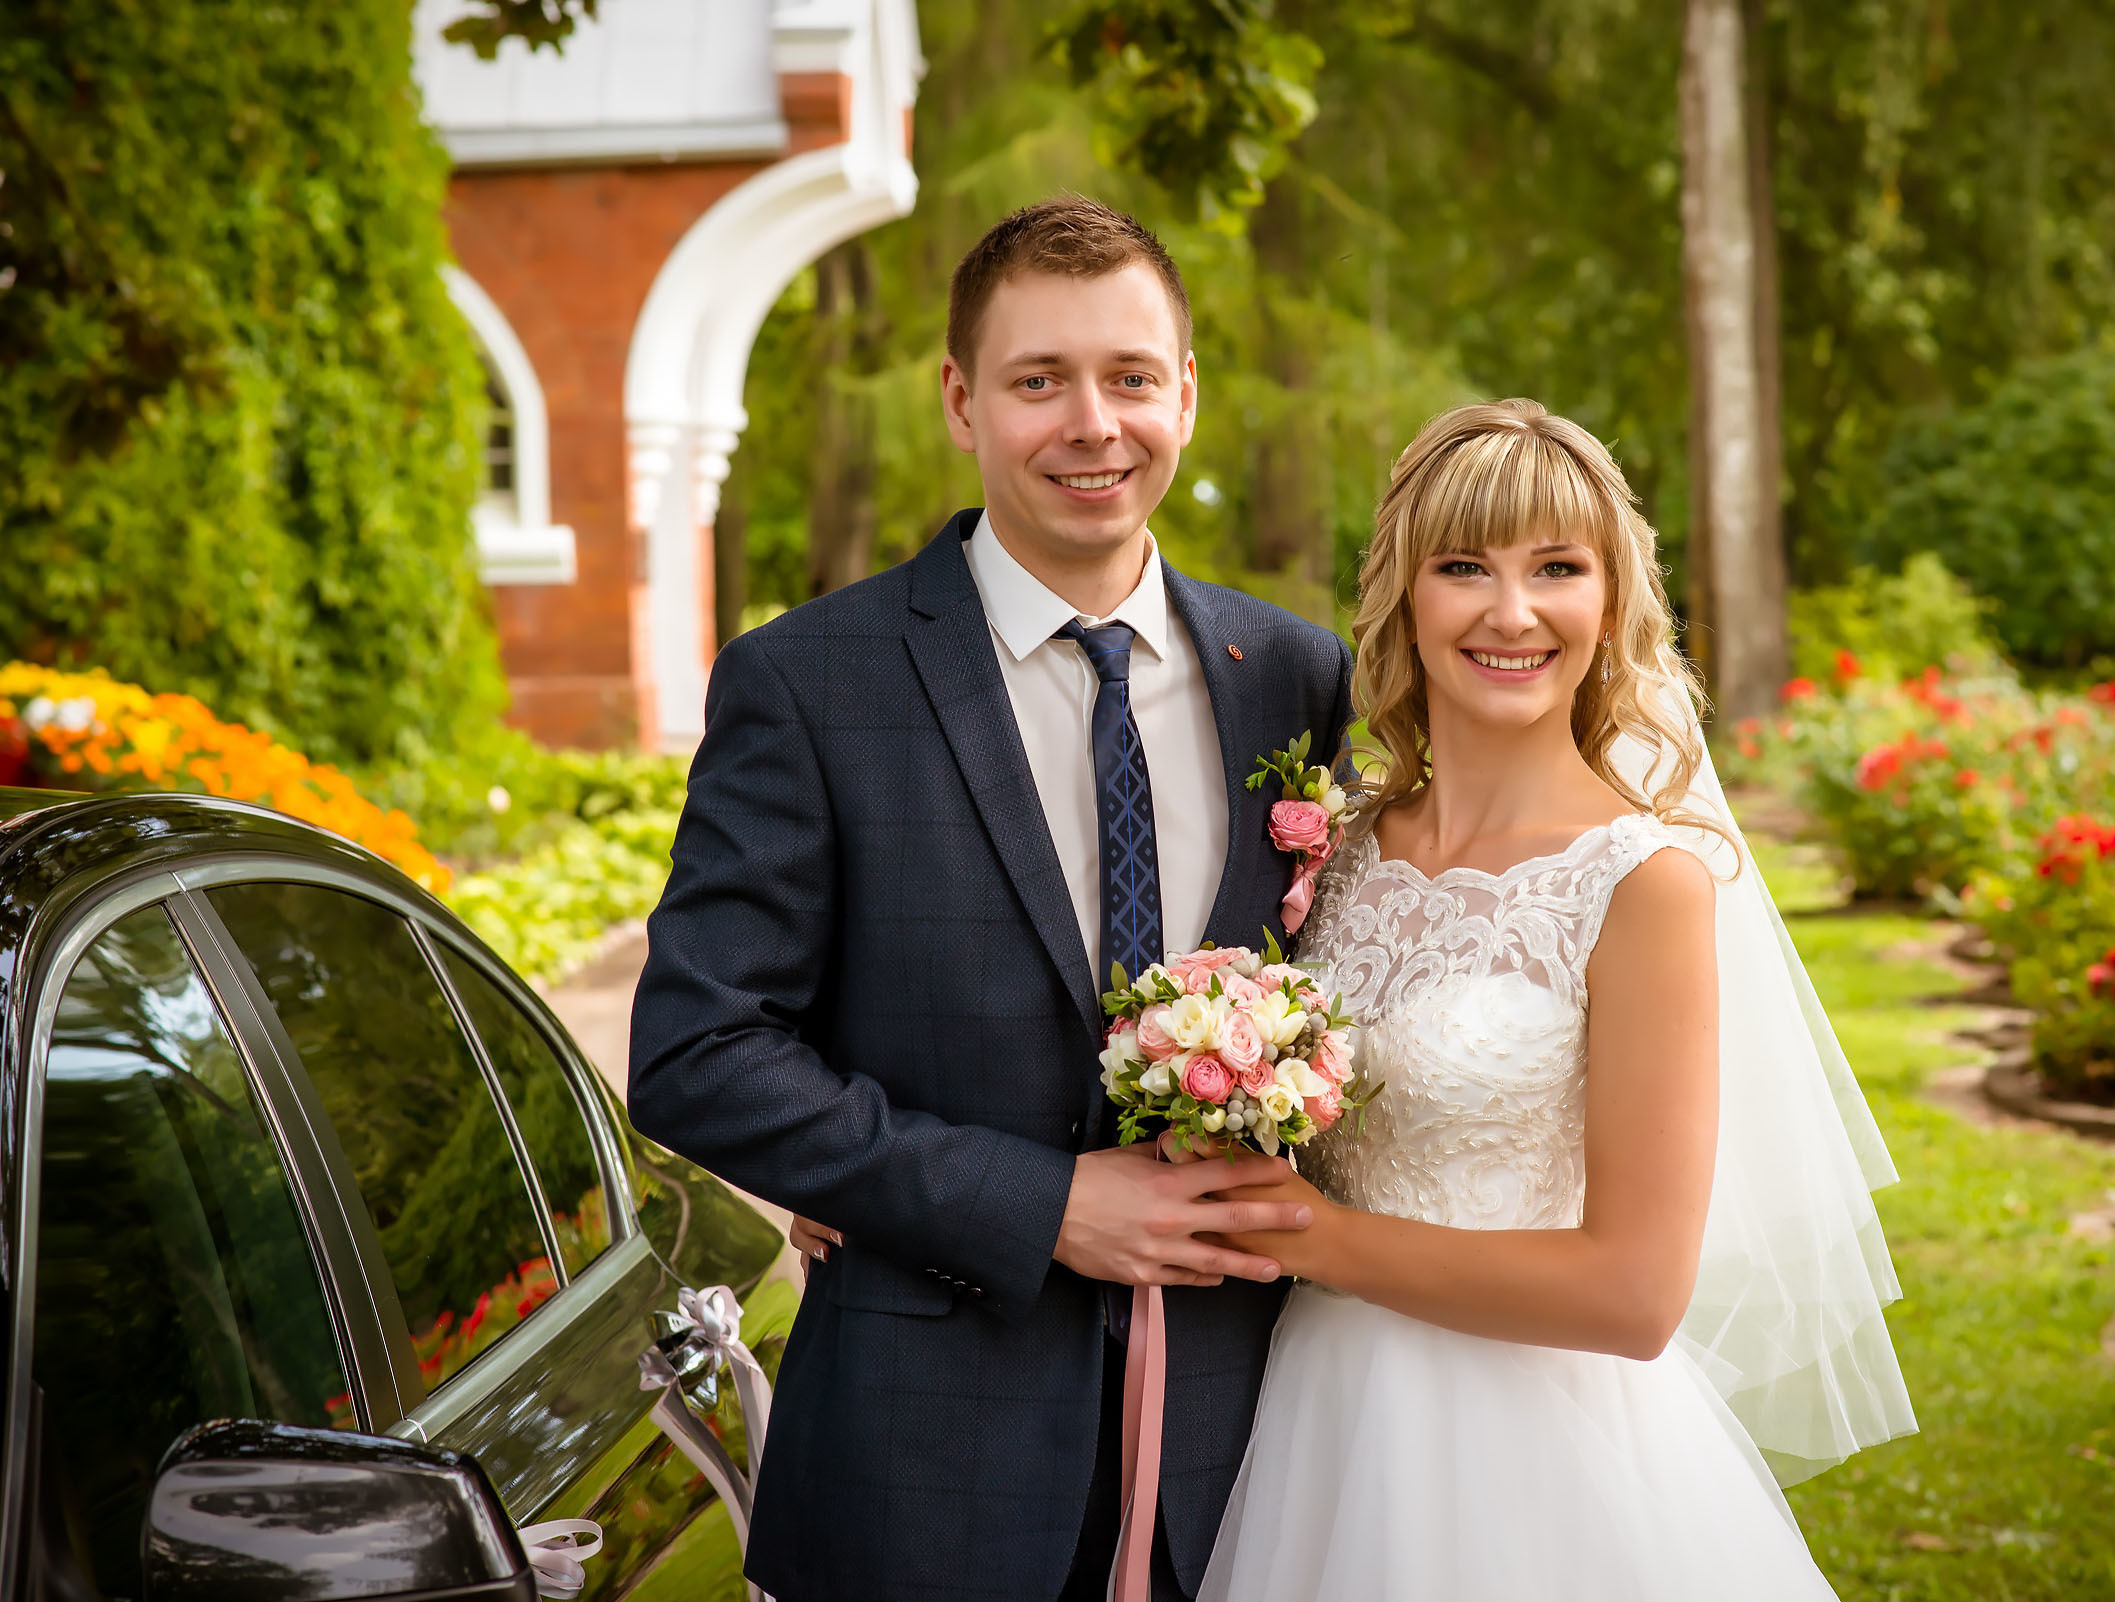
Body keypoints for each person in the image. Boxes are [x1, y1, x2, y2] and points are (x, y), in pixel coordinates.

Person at [627, 197, 1352, 1602]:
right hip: (923, 1461)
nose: (1095, 424)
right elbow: (698, 1051)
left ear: (1185, 394)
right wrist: (1029, 1201)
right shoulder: (809, 682)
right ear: (962, 400)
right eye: (1041, 380)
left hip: (1252, 1447)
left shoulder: (1295, 676)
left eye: (1132, 376)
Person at [1188, 399, 1918, 1600]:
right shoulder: (1334, 847)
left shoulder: (1646, 882)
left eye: (1558, 569)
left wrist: (1314, 1238)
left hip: (1531, 1448)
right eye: (1464, 565)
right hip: (1316, 1414)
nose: (1511, 612)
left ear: (1611, 601)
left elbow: (1635, 1295)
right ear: (1405, 596)